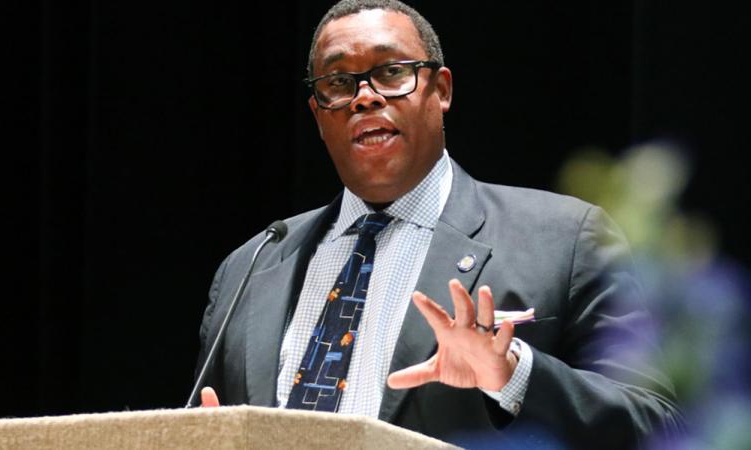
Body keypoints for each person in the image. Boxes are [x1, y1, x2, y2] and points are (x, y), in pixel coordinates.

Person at [193, 0, 681, 446]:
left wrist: (511, 375)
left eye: (391, 72)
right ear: (318, 113)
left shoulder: (564, 238)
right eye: (338, 83)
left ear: (441, 89)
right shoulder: (251, 267)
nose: (364, 98)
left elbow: (655, 425)